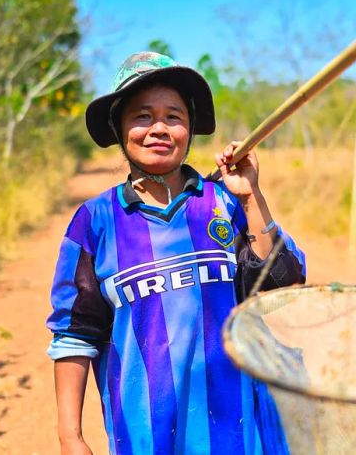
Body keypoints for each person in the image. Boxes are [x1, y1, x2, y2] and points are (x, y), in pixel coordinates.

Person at [46, 51, 306, 455]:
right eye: (143, 116)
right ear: (119, 129)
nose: (159, 129)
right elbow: (75, 334)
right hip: (147, 437)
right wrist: (70, 436)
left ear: (189, 130)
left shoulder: (224, 202)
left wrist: (251, 195)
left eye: (174, 116)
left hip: (242, 431)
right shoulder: (95, 222)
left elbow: (281, 285)